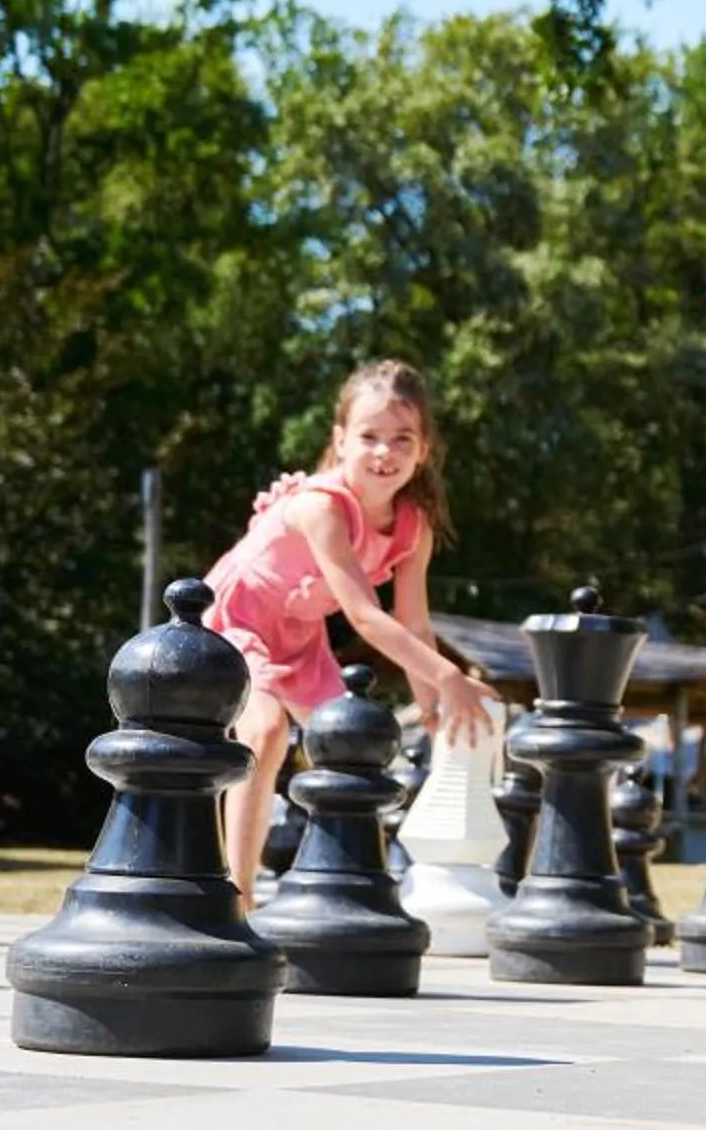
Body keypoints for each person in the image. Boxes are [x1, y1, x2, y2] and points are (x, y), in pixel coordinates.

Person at [208, 359, 500, 892]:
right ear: (341, 440)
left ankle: (347, 891)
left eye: (402, 439)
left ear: (424, 450)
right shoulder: (323, 507)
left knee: (348, 745)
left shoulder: (414, 528)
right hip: (237, 618)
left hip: (299, 636)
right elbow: (366, 617)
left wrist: (433, 706)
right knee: (267, 729)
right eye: (370, 437)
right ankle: (239, 900)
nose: (385, 452)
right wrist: (450, 678)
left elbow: (413, 621)